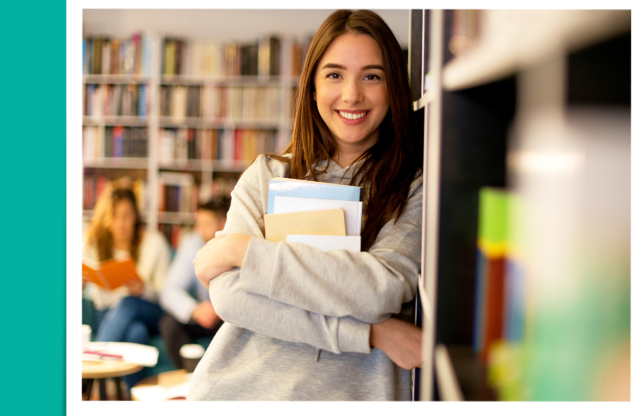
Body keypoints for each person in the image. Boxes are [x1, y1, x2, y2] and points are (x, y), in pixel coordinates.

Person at [188, 9, 424, 401]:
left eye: (372, 76)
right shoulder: (265, 175)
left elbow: (379, 290)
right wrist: (369, 332)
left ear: (393, 88)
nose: (352, 94)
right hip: (239, 392)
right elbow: (231, 297)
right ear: (312, 87)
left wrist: (243, 251)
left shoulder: (414, 188)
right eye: (334, 75)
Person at [82, 180, 171, 392]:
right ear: (106, 218)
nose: (120, 223)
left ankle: (89, 373)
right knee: (136, 334)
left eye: (127, 215)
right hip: (107, 315)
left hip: (148, 310)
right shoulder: (93, 243)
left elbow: (166, 296)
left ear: (136, 216)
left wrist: (144, 289)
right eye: (114, 216)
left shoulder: (154, 242)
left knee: (129, 302)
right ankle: (134, 399)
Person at [158, 197, 230, 370]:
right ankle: (190, 378)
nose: (199, 229)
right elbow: (169, 290)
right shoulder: (193, 243)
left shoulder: (240, 246)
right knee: (169, 323)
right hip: (206, 316)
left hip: (231, 317)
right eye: (198, 223)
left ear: (224, 223)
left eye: (205, 223)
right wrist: (194, 309)